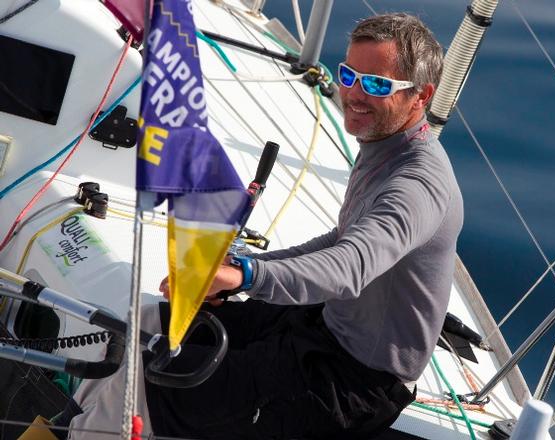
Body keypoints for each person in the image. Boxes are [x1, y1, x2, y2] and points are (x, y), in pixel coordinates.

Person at [66, 12, 463, 440]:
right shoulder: (382, 142)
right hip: (317, 325)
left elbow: (349, 266)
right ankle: (73, 424)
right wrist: (236, 267)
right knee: (143, 322)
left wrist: (245, 275)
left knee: (137, 383)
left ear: (421, 96)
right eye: (349, 75)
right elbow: (339, 238)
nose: (353, 93)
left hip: (351, 380)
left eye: (376, 85)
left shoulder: (416, 184)